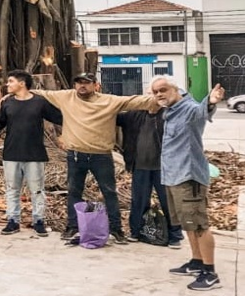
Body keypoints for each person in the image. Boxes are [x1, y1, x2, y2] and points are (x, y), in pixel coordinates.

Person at [32, 72, 158, 244]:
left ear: (95, 85)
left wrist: (163, 98)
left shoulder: (109, 101)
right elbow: (39, 93)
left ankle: (116, 229)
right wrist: (11, 94)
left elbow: (135, 101)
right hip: (76, 154)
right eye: (78, 82)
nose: (82, 86)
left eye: (86, 83)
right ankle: (72, 226)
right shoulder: (66, 97)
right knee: (74, 192)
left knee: (109, 193)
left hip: (102, 156)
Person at [153, 78, 225, 291]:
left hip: (188, 177)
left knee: (200, 225)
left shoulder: (189, 109)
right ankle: (196, 261)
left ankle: (210, 273)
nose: (159, 94)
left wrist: (210, 102)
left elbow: (201, 112)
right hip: (173, 176)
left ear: (177, 90)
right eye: (155, 92)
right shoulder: (171, 111)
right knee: (188, 225)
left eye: (163, 90)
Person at [0, 70, 62, 237]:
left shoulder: (39, 102)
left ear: (22, 83)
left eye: (11, 81)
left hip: (35, 153)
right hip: (11, 153)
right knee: (12, 189)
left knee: (37, 190)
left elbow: (60, 118)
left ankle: (39, 220)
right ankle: (13, 220)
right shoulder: (7, 103)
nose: (7, 84)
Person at [116, 106, 183, 248]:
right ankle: (136, 232)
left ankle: (175, 236)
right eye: (148, 95)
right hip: (140, 166)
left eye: (156, 94)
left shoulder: (168, 115)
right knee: (138, 201)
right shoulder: (133, 115)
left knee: (168, 202)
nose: (152, 98)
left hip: (164, 168)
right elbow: (112, 117)